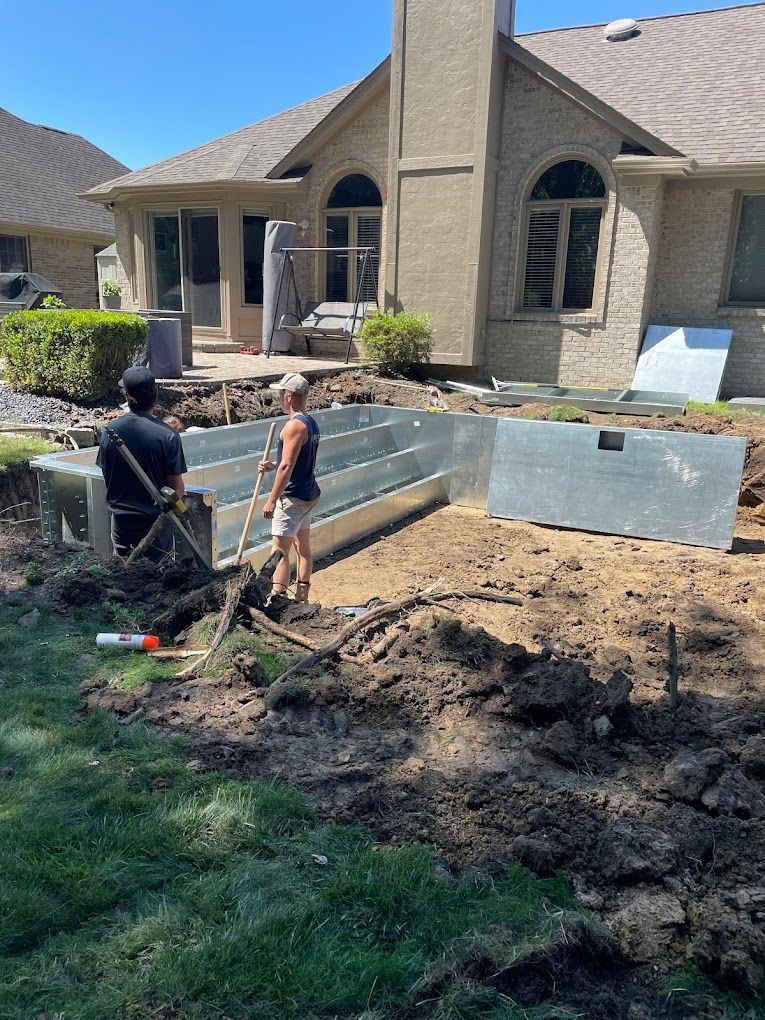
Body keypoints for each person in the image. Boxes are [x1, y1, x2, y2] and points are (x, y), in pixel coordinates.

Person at [98, 367, 186, 563]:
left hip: (121, 522)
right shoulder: (167, 436)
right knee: (158, 581)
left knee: (125, 576)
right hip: (155, 526)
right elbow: (176, 489)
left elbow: (107, 473)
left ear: (126, 395)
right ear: (155, 393)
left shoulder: (110, 431)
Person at [259, 372, 320, 601]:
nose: (279, 397)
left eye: (281, 393)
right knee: (301, 545)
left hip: (293, 498)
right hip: (308, 494)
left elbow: (287, 466)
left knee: (279, 550)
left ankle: (278, 598)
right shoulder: (310, 422)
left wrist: (272, 499)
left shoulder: (294, 426)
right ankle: (302, 596)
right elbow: (294, 460)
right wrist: (272, 465)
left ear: (289, 397)